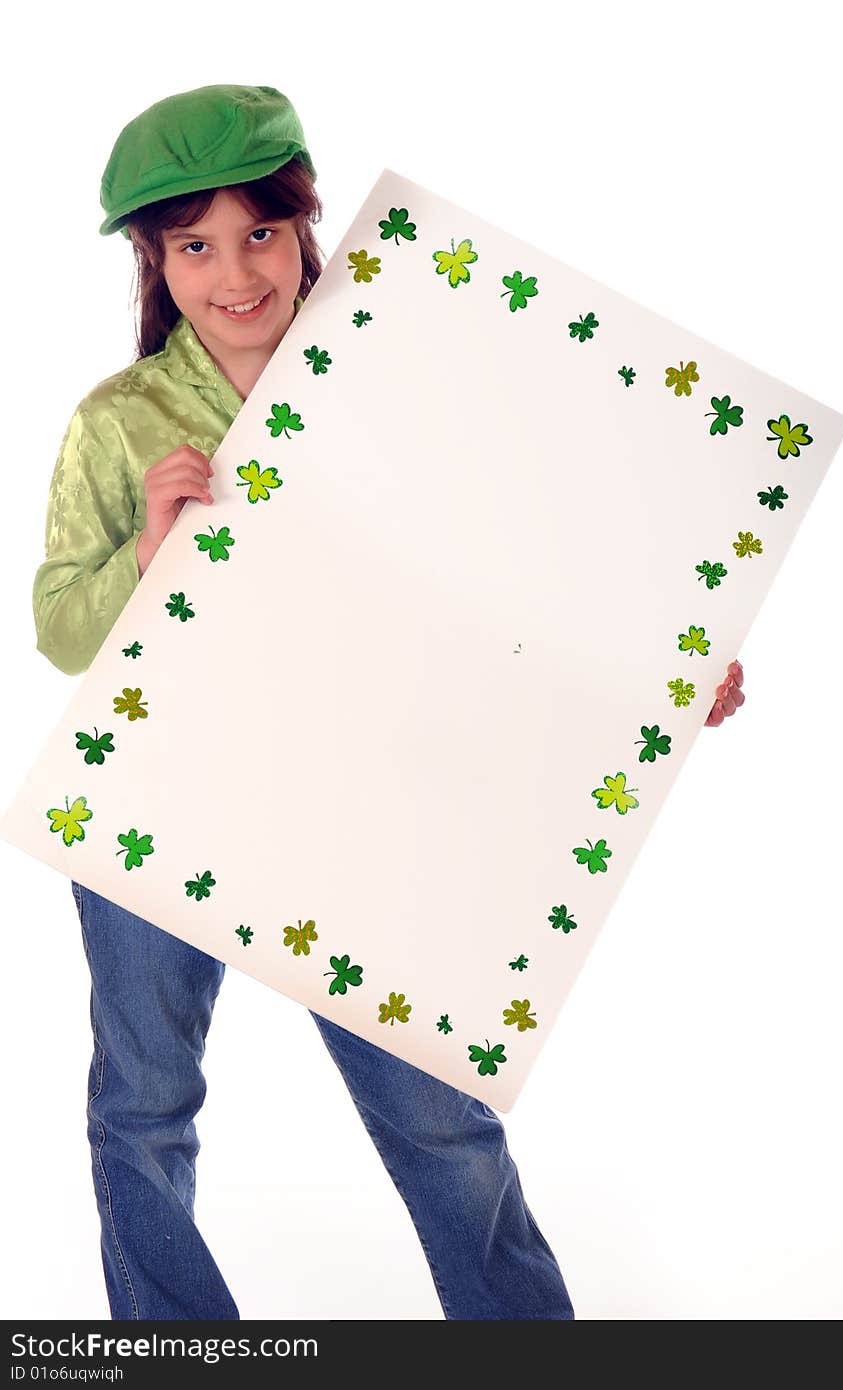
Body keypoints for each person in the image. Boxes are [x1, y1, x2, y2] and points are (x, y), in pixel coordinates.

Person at [32, 85, 745, 1322]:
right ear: (154, 259)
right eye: (194, 244)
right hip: (163, 788)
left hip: (361, 804)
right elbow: (55, 627)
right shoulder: (120, 421)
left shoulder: (408, 383)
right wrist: (148, 556)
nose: (234, 271)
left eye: (260, 231)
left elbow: (507, 591)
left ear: (308, 224)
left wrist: (660, 673)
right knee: (142, 1105)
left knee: (436, 1116)